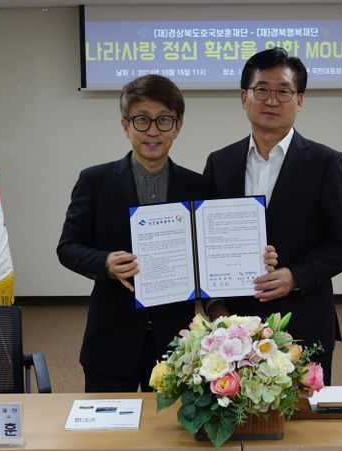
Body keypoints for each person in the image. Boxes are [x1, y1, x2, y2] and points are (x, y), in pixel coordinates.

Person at [203, 47, 342, 384]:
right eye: (261, 89)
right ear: (244, 97)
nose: (272, 100)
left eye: (284, 91)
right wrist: (216, 308)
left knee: (303, 414)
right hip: (235, 328)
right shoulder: (220, 162)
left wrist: (294, 275)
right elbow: (205, 241)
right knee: (235, 410)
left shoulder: (326, 162)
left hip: (302, 321)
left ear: (299, 99)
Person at [57, 75, 207, 392]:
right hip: (111, 337)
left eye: (164, 120)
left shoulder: (198, 187)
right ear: (125, 126)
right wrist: (105, 263)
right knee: (108, 423)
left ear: (178, 126)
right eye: (141, 120)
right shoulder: (95, 181)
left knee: (170, 424)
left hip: (176, 343)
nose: (153, 131)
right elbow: (68, 247)